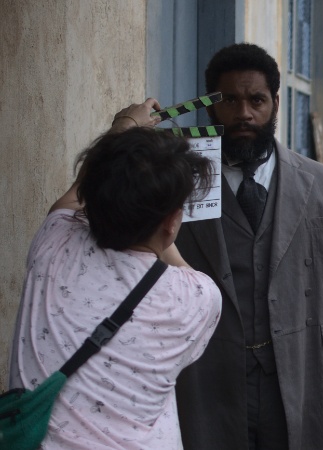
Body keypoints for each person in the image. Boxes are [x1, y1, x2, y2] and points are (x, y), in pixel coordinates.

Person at [172, 43, 323, 450]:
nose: (244, 113)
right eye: (230, 100)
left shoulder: (322, 185)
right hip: (207, 381)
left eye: (256, 100)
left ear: (275, 103)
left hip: (302, 378)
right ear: (210, 107)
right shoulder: (179, 183)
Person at [7, 100, 223, 449]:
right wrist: (156, 219)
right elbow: (167, 254)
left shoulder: (54, 244)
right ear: (171, 223)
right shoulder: (197, 297)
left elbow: (74, 197)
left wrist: (123, 126)